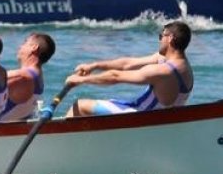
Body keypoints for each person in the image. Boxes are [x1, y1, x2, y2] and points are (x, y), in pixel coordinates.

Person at [65, 21, 193, 116]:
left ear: (170, 38)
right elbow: (127, 64)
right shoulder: (184, 66)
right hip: (160, 120)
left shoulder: (163, 71)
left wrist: (80, 80)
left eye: (161, 36)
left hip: (139, 116)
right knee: (109, 104)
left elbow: (115, 77)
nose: (159, 40)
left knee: (79, 106)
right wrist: (94, 66)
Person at [0, 33, 56, 123]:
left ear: (34, 47)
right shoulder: (37, 77)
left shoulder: (22, 77)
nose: (20, 46)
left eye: (25, 42)